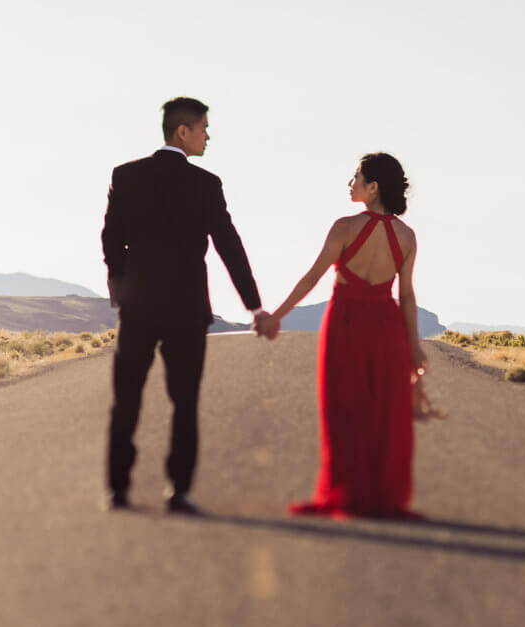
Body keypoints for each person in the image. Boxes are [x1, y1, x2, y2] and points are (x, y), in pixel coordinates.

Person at [99, 96, 275, 514]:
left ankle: (118, 489)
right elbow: (229, 247)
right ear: (183, 132)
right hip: (185, 309)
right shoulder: (205, 185)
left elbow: (110, 241)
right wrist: (254, 306)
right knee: (185, 400)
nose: (208, 136)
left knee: (127, 397)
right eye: (203, 128)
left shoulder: (126, 176)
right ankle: (179, 491)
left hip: (137, 306)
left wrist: (121, 291)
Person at [267, 152, 436, 520]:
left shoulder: (344, 228)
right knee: (382, 411)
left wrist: (276, 317)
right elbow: (406, 294)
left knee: (344, 407)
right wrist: (414, 345)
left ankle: (348, 492)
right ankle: (381, 496)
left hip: (345, 322)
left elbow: (312, 278)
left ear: (373, 187)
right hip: (386, 327)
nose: (350, 183)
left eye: (356, 177)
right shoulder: (407, 237)